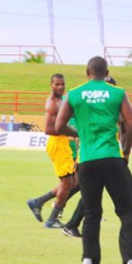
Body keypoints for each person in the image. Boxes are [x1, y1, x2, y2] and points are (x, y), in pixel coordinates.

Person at [55, 56, 132, 264]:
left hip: (87, 160)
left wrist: (81, 135)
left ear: (87, 71)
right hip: (112, 157)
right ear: (106, 71)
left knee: (91, 213)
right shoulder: (117, 93)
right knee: (125, 210)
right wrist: (125, 151)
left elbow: (57, 126)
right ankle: (131, 260)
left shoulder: (74, 94)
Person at [26, 73, 77, 228]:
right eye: (56, 84)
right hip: (57, 143)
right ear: (51, 85)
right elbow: (48, 129)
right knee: (68, 183)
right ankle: (52, 218)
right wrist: (73, 132)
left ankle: (38, 202)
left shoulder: (62, 99)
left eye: (62, 84)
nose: (60, 87)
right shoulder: (52, 103)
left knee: (74, 182)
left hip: (63, 143)